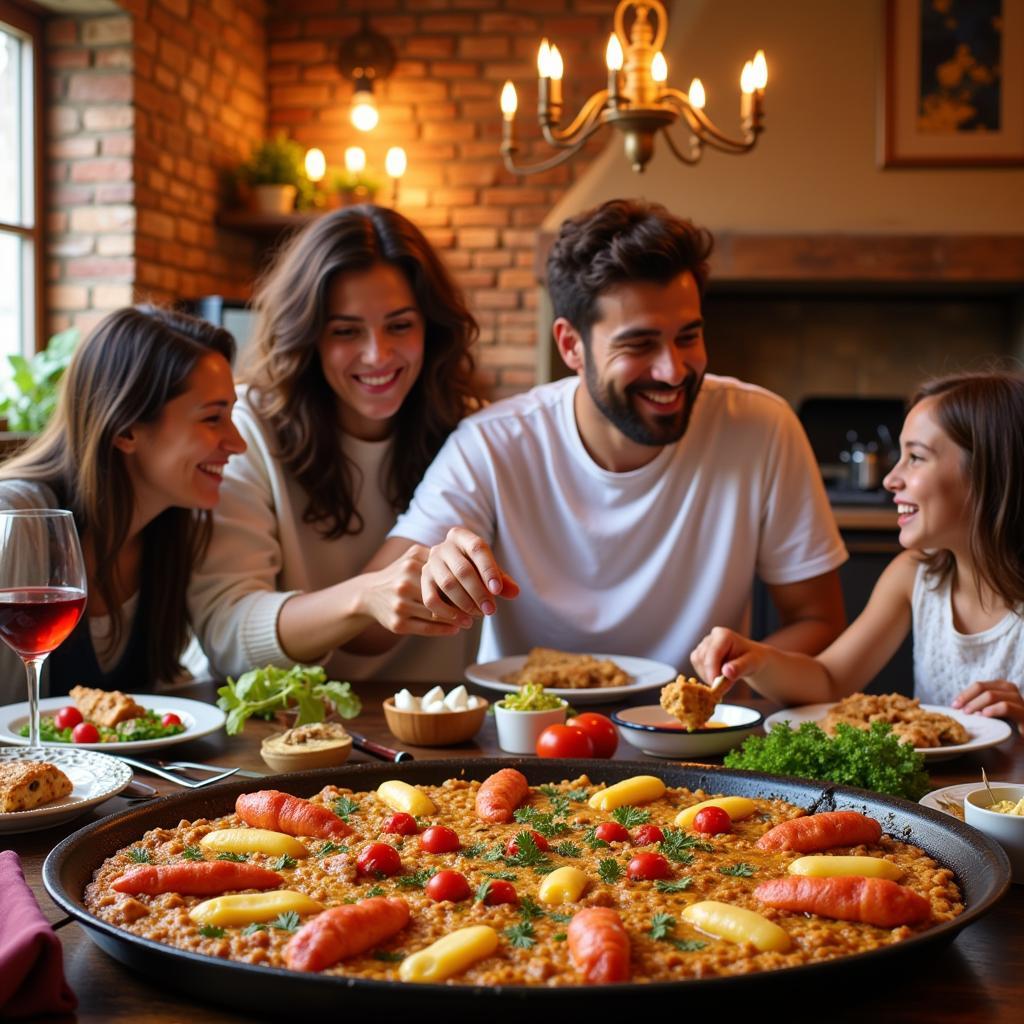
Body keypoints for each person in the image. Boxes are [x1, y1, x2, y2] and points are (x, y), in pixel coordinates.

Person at [360, 198, 848, 671]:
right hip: (527, 739)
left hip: (692, 739)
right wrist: (433, 575)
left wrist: (744, 672)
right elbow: (368, 630)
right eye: (639, 343)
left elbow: (817, 619)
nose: (673, 370)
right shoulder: (492, 444)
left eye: (688, 337)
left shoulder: (762, 427)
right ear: (571, 345)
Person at [188, 205, 481, 683]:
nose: (378, 355)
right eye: (346, 331)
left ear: (432, 327)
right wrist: (365, 596)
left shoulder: (470, 428)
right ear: (308, 337)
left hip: (439, 721)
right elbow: (226, 634)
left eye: (400, 325)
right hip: (279, 729)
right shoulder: (247, 429)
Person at [690, 371, 1024, 735]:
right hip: (932, 795)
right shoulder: (914, 576)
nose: (890, 479)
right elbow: (829, 680)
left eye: (916, 457)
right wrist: (755, 659)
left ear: (989, 471)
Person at [0, 306, 245, 702]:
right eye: (213, 418)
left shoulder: (173, 532)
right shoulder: (13, 520)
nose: (239, 443)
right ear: (126, 428)